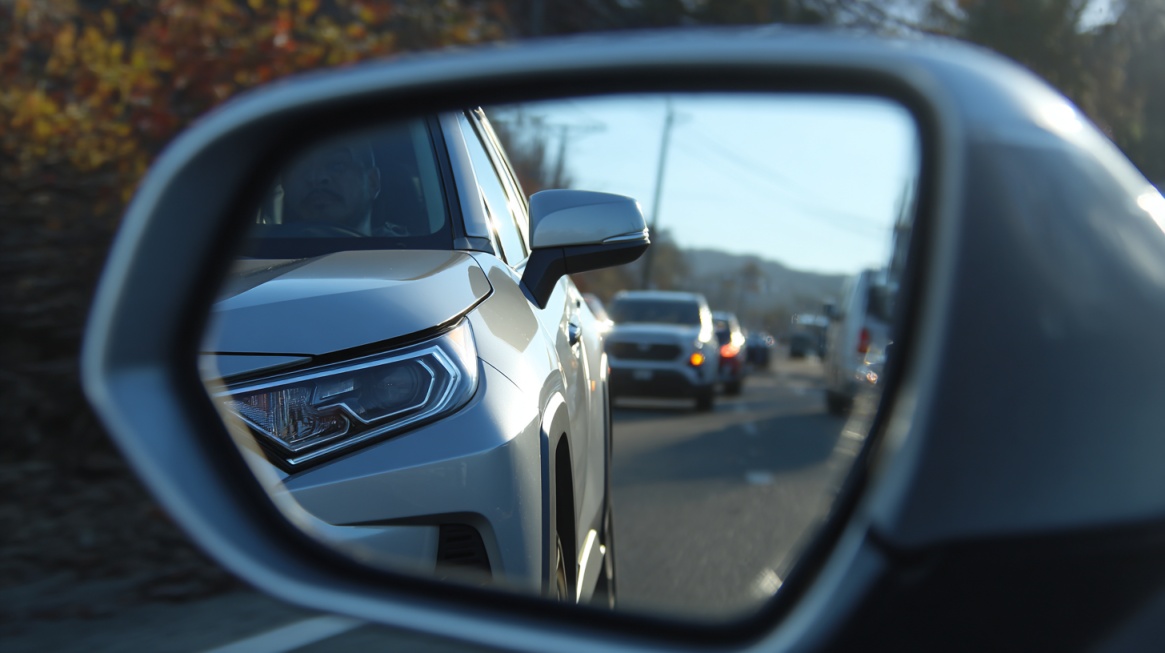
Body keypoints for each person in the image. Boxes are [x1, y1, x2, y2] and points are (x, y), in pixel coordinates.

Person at [280, 139, 408, 237]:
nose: (316, 177)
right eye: (301, 168)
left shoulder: (407, 258)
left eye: (336, 166)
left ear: (372, 182)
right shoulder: (262, 251)